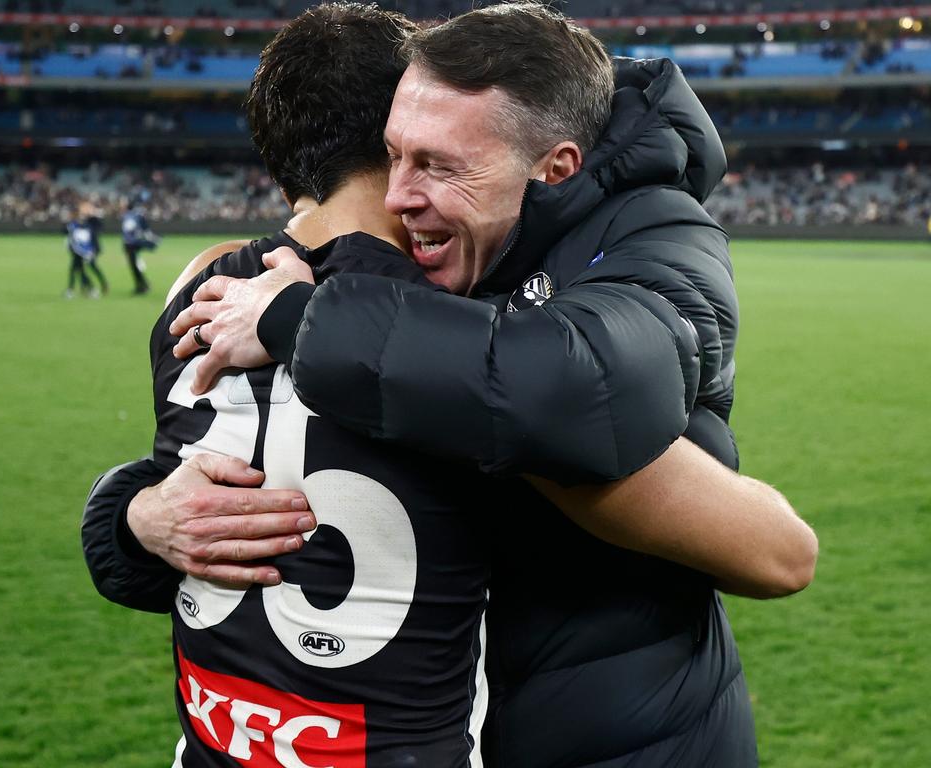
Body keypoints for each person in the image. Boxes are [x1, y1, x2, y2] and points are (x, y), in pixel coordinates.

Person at [84, 4, 816, 767]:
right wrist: (137, 517)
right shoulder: (364, 307)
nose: (404, 195)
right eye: (396, 157)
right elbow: (213, 497)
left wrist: (302, 319)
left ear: (550, 166)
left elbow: (778, 552)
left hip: (626, 737)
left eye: (437, 162)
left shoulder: (625, 250)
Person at [64, 201, 108, 298]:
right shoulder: (79, 221)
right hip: (80, 249)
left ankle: (97, 286)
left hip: (90, 249)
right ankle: (87, 287)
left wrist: (91, 214)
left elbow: (98, 227)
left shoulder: (91, 221)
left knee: (90, 267)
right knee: (79, 269)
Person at [120, 193, 156, 294]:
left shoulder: (131, 216)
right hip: (132, 244)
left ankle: (141, 286)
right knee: (134, 265)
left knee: (134, 266)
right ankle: (143, 284)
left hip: (131, 244)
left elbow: (140, 229)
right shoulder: (133, 215)